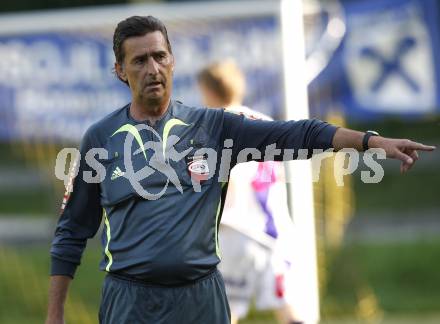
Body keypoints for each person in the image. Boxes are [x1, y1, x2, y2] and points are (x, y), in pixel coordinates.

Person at [45, 15, 435, 324]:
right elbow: (72, 232)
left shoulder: (215, 127)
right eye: (139, 60)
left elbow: (298, 134)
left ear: (173, 60)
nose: (152, 68)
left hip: (201, 298)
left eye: (159, 56)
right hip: (129, 301)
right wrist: (54, 314)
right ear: (120, 70)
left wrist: (370, 141)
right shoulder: (101, 138)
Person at [198, 60, 301, 324]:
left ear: (209, 92)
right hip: (273, 234)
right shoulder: (265, 121)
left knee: (224, 313)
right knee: (287, 311)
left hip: (234, 233)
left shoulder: (213, 127)